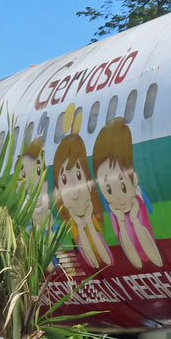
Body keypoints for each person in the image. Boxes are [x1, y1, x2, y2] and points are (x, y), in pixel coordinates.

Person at [93, 116, 162, 269]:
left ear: (134, 178)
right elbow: (136, 262)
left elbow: (155, 258)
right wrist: (122, 224)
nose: (117, 196)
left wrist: (134, 219)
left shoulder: (139, 204)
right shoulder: (114, 215)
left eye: (122, 186)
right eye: (108, 190)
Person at [53, 108, 113, 269]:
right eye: (64, 180)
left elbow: (107, 261)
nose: (74, 189)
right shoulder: (74, 228)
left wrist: (87, 220)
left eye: (78, 177)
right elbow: (95, 263)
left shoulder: (95, 220)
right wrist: (80, 224)